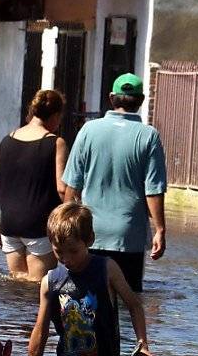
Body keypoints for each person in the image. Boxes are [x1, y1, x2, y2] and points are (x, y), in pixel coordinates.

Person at [20, 202, 156, 356]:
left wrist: (142, 345)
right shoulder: (50, 282)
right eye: (59, 251)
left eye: (73, 251)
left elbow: (134, 306)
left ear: (90, 239)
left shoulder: (107, 270)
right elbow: (40, 334)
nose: (66, 259)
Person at [63, 73, 167, 292]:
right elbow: (153, 190)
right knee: (126, 302)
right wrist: (160, 229)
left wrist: (66, 226)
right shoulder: (149, 136)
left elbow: (72, 185)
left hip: (90, 233)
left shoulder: (88, 130)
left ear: (111, 98)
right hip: (128, 236)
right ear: (141, 100)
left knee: (87, 299)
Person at [0, 89, 67, 281]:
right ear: (55, 115)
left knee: (17, 283)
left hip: (9, 225)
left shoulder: (7, 140)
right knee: (38, 287)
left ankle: (13, 313)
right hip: (39, 226)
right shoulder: (56, 143)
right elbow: (62, 188)